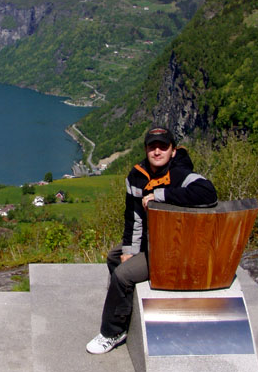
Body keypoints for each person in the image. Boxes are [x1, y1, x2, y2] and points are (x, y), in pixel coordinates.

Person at [86, 126, 218, 354]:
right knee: (115, 257)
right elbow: (133, 217)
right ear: (146, 149)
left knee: (123, 275)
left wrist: (160, 195)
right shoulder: (136, 176)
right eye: (152, 146)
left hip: (174, 247)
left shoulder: (180, 174)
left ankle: (112, 331)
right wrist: (130, 249)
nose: (157, 152)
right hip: (151, 241)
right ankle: (125, 310)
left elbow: (208, 193)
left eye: (163, 147)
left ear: (173, 151)